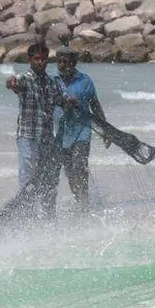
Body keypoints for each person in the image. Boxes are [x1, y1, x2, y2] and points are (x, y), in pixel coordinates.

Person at [5, 42, 76, 219]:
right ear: (29, 60)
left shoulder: (52, 83)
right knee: (28, 178)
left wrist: (71, 101)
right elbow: (13, 84)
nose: (40, 62)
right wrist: (10, 81)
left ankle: (48, 217)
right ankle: (26, 216)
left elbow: (63, 100)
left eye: (44, 59)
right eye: (36, 59)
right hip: (27, 137)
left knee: (49, 178)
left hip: (46, 139)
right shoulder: (25, 80)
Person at [54, 46, 110, 212]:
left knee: (79, 166)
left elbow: (95, 106)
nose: (62, 65)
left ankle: (84, 202)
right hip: (63, 135)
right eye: (59, 62)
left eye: (66, 61)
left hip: (82, 132)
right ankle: (80, 200)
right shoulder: (53, 81)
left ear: (74, 62)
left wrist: (105, 129)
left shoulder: (85, 81)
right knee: (70, 172)